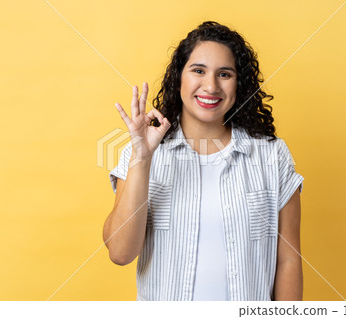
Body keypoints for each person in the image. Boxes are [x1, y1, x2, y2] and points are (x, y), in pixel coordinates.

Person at [103, 21, 304, 301]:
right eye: (198, 70)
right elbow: (120, 253)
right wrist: (142, 159)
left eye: (225, 74)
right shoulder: (141, 153)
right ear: (179, 78)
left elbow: (288, 261)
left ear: (239, 84)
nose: (211, 86)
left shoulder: (273, 156)